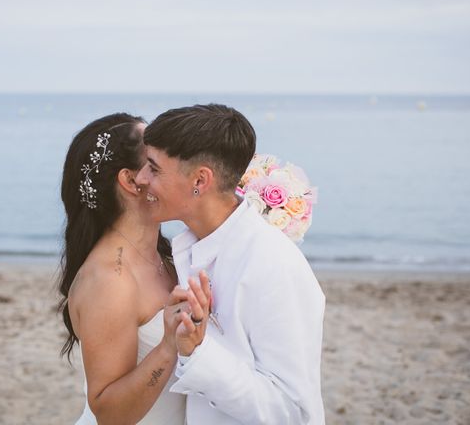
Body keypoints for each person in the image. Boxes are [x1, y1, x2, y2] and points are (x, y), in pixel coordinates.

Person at [136, 104, 326, 424]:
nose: (141, 178)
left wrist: (199, 352)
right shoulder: (186, 248)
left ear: (200, 179)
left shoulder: (272, 265)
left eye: (153, 169)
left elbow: (292, 412)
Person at [57, 113, 187, 424]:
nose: (173, 162)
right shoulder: (109, 281)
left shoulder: (166, 256)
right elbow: (110, 414)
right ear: (130, 181)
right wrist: (169, 347)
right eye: (155, 159)